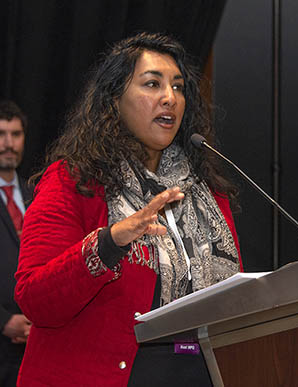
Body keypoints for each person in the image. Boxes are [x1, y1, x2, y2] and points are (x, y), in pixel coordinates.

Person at [14, 32, 242, 386]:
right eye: (153, 84)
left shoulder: (208, 192)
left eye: (179, 88)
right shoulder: (75, 180)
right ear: (114, 100)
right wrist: (109, 243)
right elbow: (35, 298)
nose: (170, 98)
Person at [0, 100, 32, 387]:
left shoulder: (36, 193)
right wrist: (3, 321)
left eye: (16, 134)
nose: (8, 144)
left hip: (37, 342)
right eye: (1, 134)